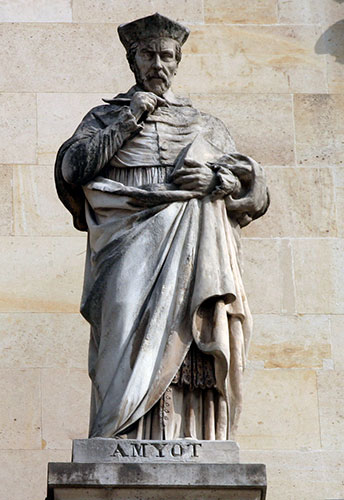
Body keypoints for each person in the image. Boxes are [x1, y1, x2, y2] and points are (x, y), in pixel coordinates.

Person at [55, 13, 269, 441]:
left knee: (190, 335)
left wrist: (217, 181)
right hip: (124, 247)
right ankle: (118, 435)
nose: (158, 64)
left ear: (177, 61)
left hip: (190, 250)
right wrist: (128, 119)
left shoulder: (203, 124)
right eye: (149, 55)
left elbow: (252, 195)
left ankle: (188, 437)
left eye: (167, 56)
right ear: (134, 61)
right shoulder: (103, 117)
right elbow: (72, 169)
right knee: (120, 337)